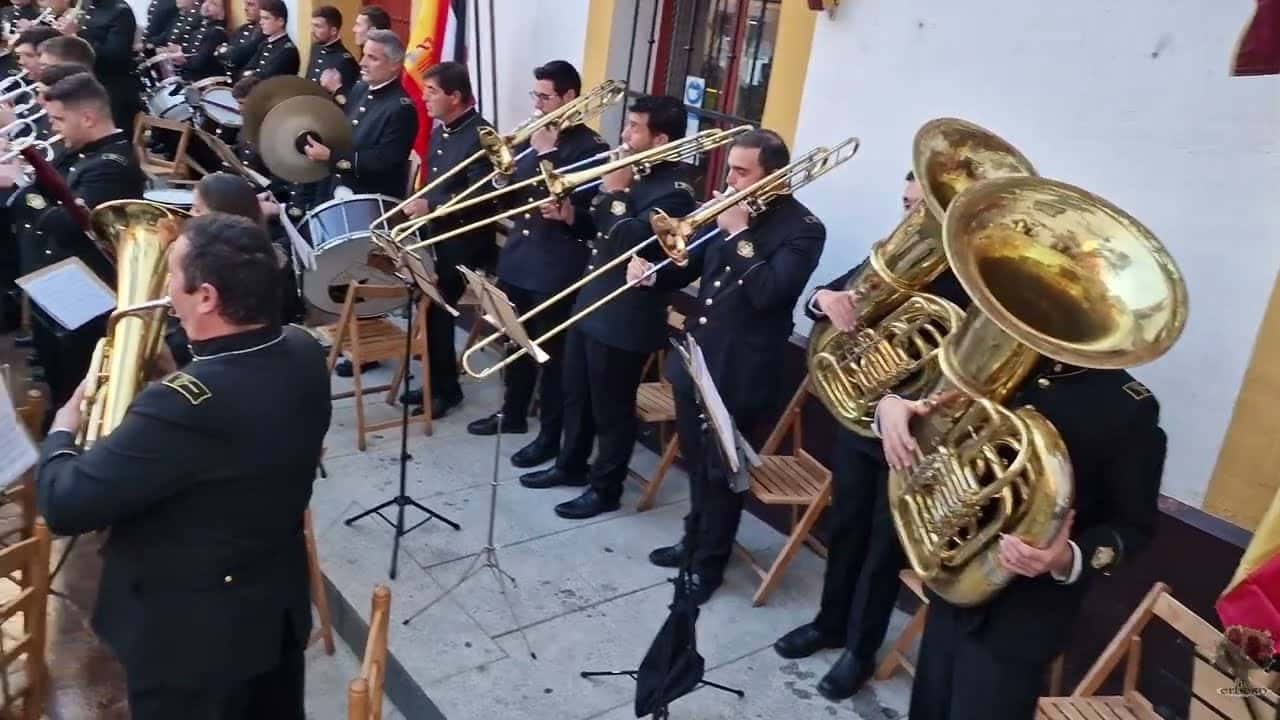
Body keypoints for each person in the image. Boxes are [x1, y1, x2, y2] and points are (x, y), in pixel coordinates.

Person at [36, 212, 331, 720]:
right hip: (272, 612)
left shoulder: (183, 407)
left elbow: (64, 502)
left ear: (207, 297)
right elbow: (234, 445)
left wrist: (62, 429)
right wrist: (180, 372)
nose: (166, 289)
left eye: (171, 275)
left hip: (195, 646)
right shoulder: (302, 349)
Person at [771, 171, 970, 701]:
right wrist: (824, 301)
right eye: (906, 205)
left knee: (885, 549)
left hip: (917, 440)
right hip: (861, 425)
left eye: (921, 211)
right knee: (847, 528)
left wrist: (909, 405)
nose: (909, 221)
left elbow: (973, 378)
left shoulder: (970, 283)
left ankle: (860, 649)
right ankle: (829, 622)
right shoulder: (892, 259)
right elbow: (823, 294)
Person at [890, 361, 1165, 719]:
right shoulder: (1004, 361)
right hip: (953, 582)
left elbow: (1133, 526)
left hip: (1024, 614)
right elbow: (937, 424)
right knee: (929, 708)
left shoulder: (1128, 406)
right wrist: (893, 406)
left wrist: (1067, 556)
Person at [638, 129, 825, 605]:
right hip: (698, 358)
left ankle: (709, 563)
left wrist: (739, 234)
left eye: (742, 172)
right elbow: (693, 266)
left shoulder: (803, 229)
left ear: (773, 176)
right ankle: (691, 539)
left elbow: (769, 293)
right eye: (731, 169)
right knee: (696, 462)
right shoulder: (730, 213)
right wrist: (652, 273)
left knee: (723, 473)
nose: (731, 179)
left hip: (741, 368)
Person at [518, 94, 696, 520]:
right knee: (575, 391)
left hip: (627, 317)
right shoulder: (634, 174)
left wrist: (613, 195)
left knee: (612, 408)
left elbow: (631, 239)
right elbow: (599, 231)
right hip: (593, 299)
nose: (624, 134)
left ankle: (606, 488)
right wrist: (569, 216)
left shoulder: (675, 192)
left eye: (634, 127)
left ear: (661, 138)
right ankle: (570, 465)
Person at [465, 60, 608, 470]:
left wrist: (548, 154)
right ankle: (511, 414)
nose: (539, 105)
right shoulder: (532, 136)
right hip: (520, 257)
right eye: (537, 96)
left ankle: (549, 436)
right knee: (515, 339)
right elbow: (513, 192)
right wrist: (498, 178)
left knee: (549, 356)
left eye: (546, 97)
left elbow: (584, 214)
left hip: (556, 265)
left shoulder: (591, 149)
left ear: (568, 98)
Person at [1, 72, 144, 409]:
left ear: (88, 117)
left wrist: (23, 190)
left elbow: (67, 224)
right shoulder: (79, 152)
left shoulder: (111, 164)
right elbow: (49, 191)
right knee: (55, 376)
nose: (54, 128)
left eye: (59, 119)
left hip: (84, 297)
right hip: (53, 287)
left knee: (75, 388)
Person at [398, 60, 495, 419]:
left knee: (437, 310)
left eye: (432, 91)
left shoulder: (481, 135)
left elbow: (480, 195)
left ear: (455, 96)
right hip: (436, 237)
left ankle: (446, 390)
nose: (424, 98)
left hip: (466, 242)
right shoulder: (443, 129)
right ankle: (434, 381)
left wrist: (431, 204)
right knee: (426, 306)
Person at [302, 28, 416, 201]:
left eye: (373, 58)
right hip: (337, 188)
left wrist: (332, 157)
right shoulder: (360, 88)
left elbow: (385, 161)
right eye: (364, 54)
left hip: (370, 200)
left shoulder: (400, 108)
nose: (362, 63)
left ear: (395, 64)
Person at [61, 0, 143, 132]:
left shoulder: (120, 11)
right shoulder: (84, 6)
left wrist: (77, 36)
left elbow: (115, 57)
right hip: (84, 83)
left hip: (111, 90)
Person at [307, 5, 358, 107]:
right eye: (312, 25)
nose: (313, 31)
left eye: (318, 26)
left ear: (333, 31)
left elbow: (348, 100)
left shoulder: (345, 60)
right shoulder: (316, 48)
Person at [237, 0, 297, 81]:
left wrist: (252, 74)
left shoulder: (288, 50)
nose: (261, 22)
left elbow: (268, 77)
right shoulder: (264, 44)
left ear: (280, 21)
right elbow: (247, 69)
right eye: (261, 18)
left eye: (266, 18)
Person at [218, 0, 263, 77]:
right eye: (246, 4)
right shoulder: (242, 29)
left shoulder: (263, 34)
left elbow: (236, 56)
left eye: (251, 4)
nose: (245, 8)